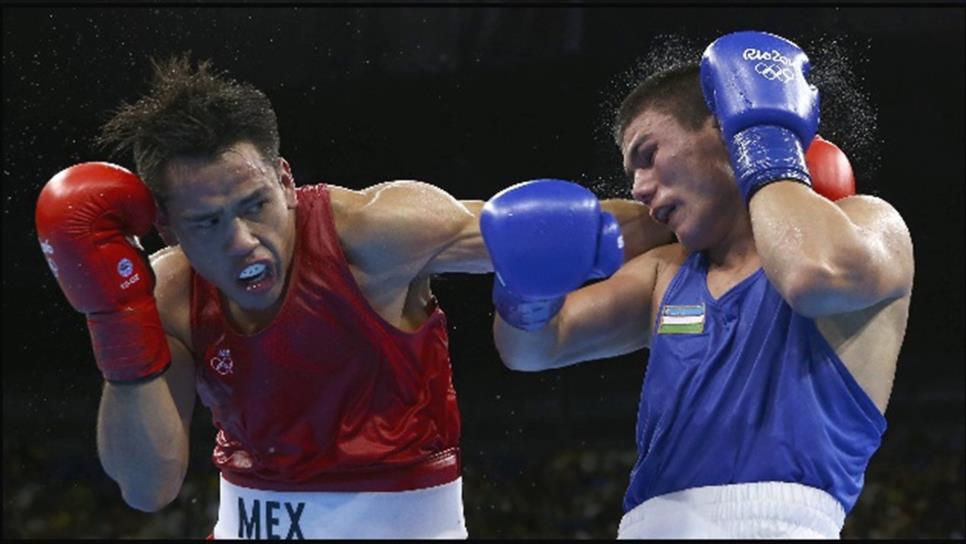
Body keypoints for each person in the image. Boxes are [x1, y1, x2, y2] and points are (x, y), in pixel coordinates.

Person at [33, 55, 674, 539]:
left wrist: (706, 213)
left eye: (254, 205)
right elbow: (149, 486)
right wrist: (116, 320)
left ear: (285, 180)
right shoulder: (168, 295)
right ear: (168, 228)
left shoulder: (377, 234)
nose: (242, 241)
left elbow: (554, 233)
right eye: (206, 223)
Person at [482, 31, 913, 538]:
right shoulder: (668, 272)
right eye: (631, 172)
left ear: (721, 128)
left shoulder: (869, 223)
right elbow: (534, 348)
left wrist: (762, 139)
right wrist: (524, 286)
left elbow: (810, 276)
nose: (638, 188)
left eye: (648, 154)